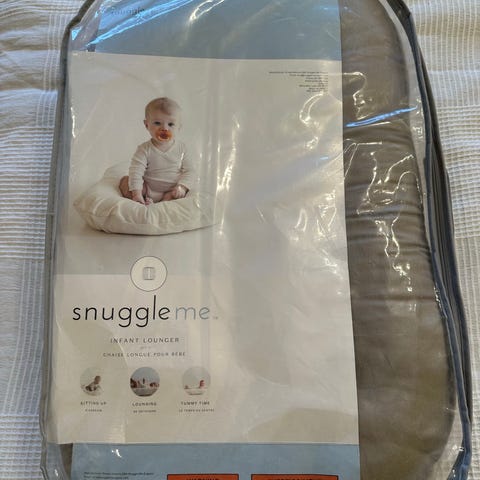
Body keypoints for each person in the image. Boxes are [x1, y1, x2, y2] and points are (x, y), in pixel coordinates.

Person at [119, 97, 196, 205]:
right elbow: (136, 171)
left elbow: (190, 171)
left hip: (171, 190)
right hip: (147, 188)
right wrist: (137, 193)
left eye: (170, 124)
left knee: (179, 194)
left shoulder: (182, 148)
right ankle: (143, 200)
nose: (164, 128)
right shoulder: (144, 149)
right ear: (147, 125)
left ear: (179, 127)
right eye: (157, 123)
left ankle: (162, 203)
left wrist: (182, 187)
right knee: (125, 181)